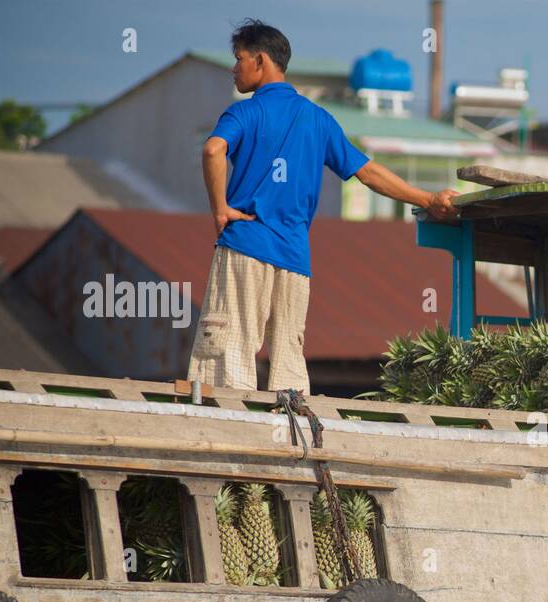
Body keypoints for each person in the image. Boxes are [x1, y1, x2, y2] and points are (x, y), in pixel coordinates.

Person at [187, 19, 458, 394]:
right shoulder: (318, 119)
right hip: (295, 259)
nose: (234, 69)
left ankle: (228, 437)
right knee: (288, 363)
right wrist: (428, 199)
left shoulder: (244, 113)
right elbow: (369, 173)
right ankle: (292, 437)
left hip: (246, 245)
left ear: (261, 61)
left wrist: (219, 208)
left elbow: (213, 149)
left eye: (239, 59)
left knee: (228, 354)